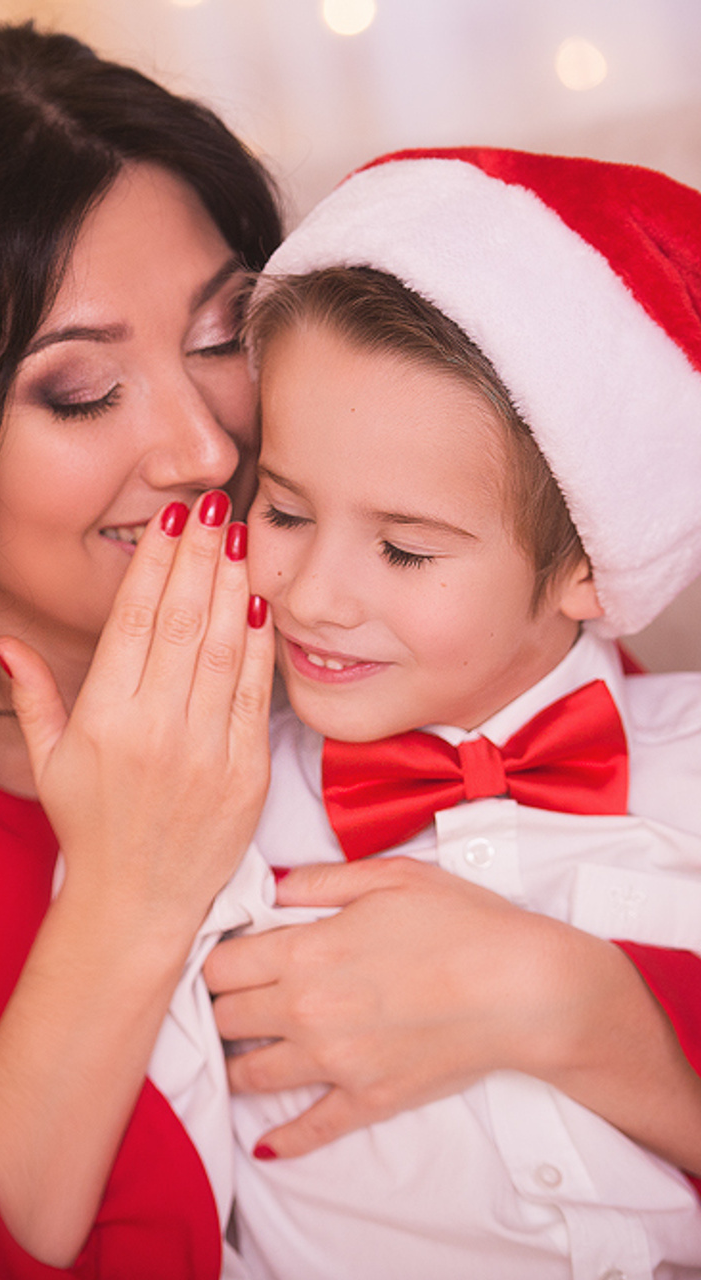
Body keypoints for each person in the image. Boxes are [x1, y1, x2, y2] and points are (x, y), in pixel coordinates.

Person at [0, 21, 701, 1276]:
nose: (203, 448)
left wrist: (580, 1013)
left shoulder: (387, 628)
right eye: (81, 391)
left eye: (220, 336)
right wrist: (124, 906)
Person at [150, 148, 701, 1277]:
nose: (313, 596)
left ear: (586, 564)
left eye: (403, 548)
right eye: (284, 511)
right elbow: (166, 1213)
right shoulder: (206, 819)